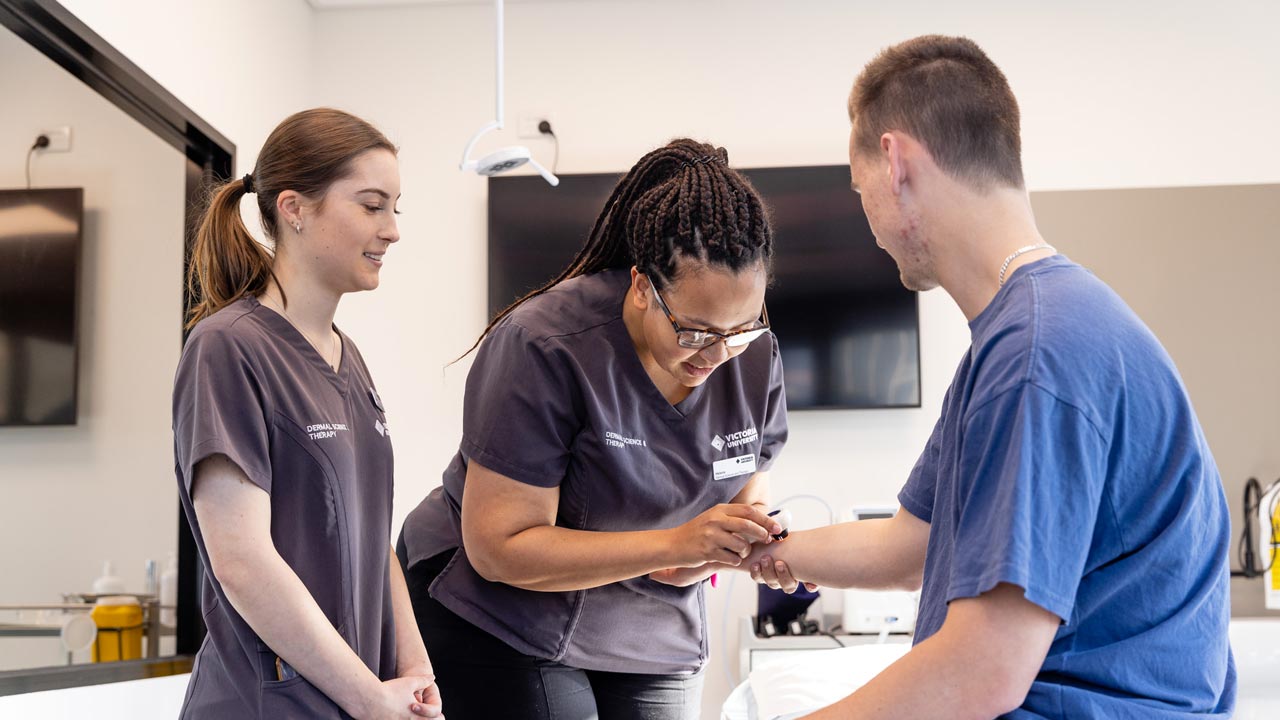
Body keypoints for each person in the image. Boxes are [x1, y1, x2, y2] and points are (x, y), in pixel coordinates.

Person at [749, 35, 1236, 718]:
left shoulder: (1039, 353)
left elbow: (981, 675)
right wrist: (765, 553)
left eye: (861, 195)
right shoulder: (1018, 339)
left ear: (895, 164)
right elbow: (909, 548)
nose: (873, 229)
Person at [397, 138, 788, 719]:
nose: (717, 353)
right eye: (695, 331)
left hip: (651, 620)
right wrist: (678, 542)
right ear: (640, 287)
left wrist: (725, 546)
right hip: (500, 609)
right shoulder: (546, 344)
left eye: (741, 328)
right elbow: (500, 547)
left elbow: (742, 489)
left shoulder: (750, 353)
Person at [172, 108, 442, 719]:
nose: (392, 230)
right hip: (273, 704)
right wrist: (369, 698)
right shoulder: (228, 347)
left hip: (359, 698)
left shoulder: (351, 358)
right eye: (372, 205)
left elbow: (375, 539)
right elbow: (241, 561)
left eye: (396, 208)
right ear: (294, 208)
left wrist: (415, 668)